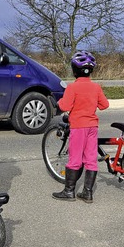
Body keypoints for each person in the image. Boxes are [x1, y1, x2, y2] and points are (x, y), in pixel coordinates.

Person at [52, 50, 109, 203]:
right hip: (92, 127)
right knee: (91, 158)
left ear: (74, 70)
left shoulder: (72, 87)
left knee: (75, 158)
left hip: (78, 127)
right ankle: (87, 193)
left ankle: (69, 191)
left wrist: (57, 102)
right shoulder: (96, 87)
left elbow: (65, 106)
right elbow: (105, 105)